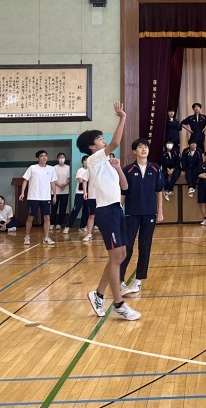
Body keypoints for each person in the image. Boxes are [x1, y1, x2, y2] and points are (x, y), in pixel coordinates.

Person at [78, 101, 140, 321]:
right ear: (91, 146)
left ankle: (98, 294)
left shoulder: (107, 163)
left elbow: (125, 186)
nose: (103, 140)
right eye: (99, 139)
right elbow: (115, 142)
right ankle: (119, 304)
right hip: (106, 212)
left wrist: (117, 168)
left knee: (120, 255)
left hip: (116, 209)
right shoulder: (93, 159)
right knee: (116, 257)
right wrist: (123, 117)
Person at [119, 138, 164, 296]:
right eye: (140, 147)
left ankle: (138, 280)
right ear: (134, 151)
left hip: (149, 213)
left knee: (145, 247)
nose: (144, 149)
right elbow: (123, 193)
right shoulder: (128, 170)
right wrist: (118, 211)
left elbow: (159, 191)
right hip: (131, 213)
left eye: (146, 147)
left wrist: (160, 211)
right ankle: (119, 280)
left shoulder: (156, 168)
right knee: (127, 247)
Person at [19, 150, 57, 246]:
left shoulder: (51, 169)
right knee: (30, 217)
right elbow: (25, 180)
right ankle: (27, 236)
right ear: (38, 158)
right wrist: (22, 193)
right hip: (33, 197)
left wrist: (54, 195)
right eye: (41, 156)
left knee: (47, 217)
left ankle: (46, 237)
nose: (44, 157)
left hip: (46, 198)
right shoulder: (32, 168)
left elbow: (53, 182)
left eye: (45, 156)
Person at [63, 156, 91, 234]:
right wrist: (87, 179)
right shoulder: (80, 170)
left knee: (86, 210)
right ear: (82, 162)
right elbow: (81, 180)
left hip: (89, 193)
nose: (86, 162)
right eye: (85, 160)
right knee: (76, 209)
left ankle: (82, 226)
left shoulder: (91, 170)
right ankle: (68, 226)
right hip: (80, 193)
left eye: (88, 160)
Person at [50, 152, 70, 230]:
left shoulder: (68, 167)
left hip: (65, 191)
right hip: (55, 191)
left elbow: (69, 178)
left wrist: (65, 184)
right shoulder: (54, 168)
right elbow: (52, 178)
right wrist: (59, 185)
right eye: (60, 157)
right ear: (57, 159)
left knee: (63, 208)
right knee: (54, 208)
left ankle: (59, 223)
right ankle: (52, 223)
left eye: (63, 157)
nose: (62, 159)